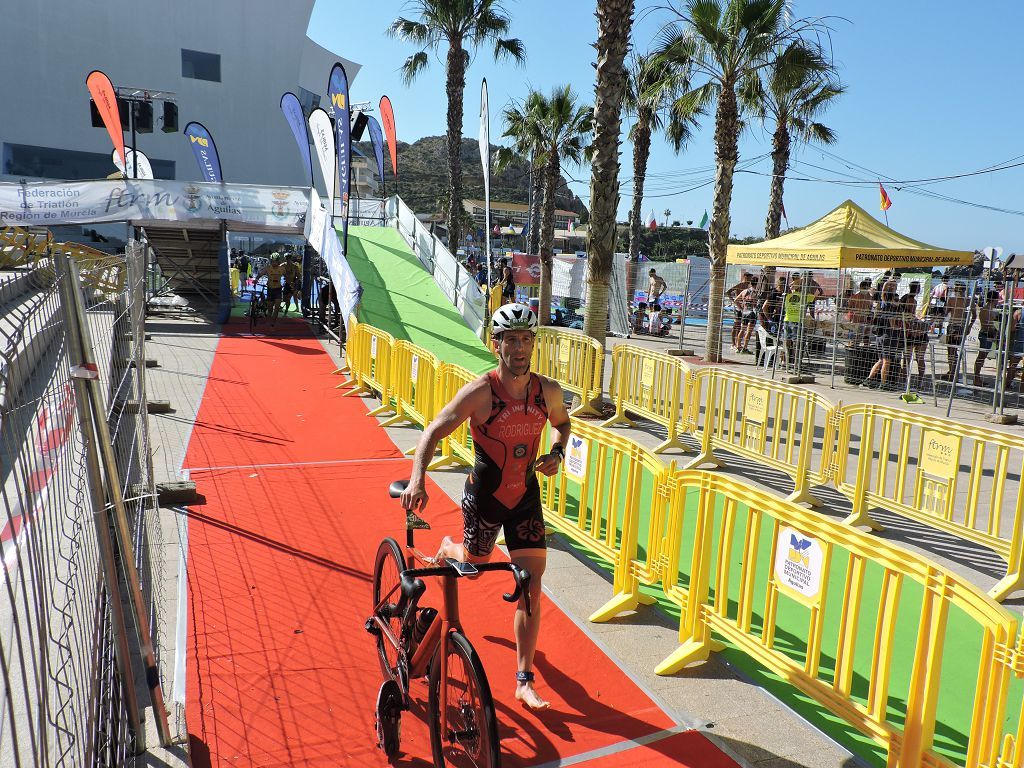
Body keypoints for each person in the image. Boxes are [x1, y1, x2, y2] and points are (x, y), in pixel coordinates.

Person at [401, 304, 571, 710]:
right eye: (510, 340)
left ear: (534, 344)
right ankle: (448, 548)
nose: (519, 348)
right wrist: (418, 477)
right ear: (496, 345)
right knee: (474, 566)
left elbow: (563, 424)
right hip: (485, 499)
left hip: (525, 498)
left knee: (531, 585)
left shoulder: (547, 390)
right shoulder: (481, 391)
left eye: (526, 339)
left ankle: (523, 678)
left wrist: (558, 453)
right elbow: (434, 428)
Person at [973, 290, 1000, 387]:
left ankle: (977, 378)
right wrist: (996, 334)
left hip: (988, 335)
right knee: (981, 357)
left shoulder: (991, 309)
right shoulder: (986, 310)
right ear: (994, 299)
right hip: (986, 335)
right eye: (997, 299)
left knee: (982, 357)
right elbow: (987, 326)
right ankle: (976, 378)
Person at [943, 282, 969, 378]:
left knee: (952, 351)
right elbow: (946, 312)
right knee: (951, 350)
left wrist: (969, 326)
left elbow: (946, 312)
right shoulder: (955, 299)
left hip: (957, 326)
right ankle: (952, 371)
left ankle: (953, 373)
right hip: (955, 326)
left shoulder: (966, 300)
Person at [256, 253, 287, 327]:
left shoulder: (282, 269)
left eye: (275, 261)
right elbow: (260, 274)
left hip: (278, 290)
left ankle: (273, 323)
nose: (274, 263)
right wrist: (256, 279)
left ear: (278, 261)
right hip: (270, 290)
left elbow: (287, 277)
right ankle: (270, 322)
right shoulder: (268, 268)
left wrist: (290, 283)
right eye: (272, 261)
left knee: (276, 308)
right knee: (270, 310)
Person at [725, 271, 753, 352]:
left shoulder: (749, 286)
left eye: (750, 278)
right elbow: (728, 292)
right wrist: (733, 300)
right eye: (748, 277)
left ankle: (738, 344)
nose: (749, 279)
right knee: (736, 325)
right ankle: (733, 344)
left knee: (742, 326)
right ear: (745, 277)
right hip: (738, 308)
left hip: (745, 308)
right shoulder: (740, 285)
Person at [282, 252, 302, 317]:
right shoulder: (283, 265)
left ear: (290, 259)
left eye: (289, 258)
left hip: (292, 284)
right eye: (286, 258)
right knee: (285, 299)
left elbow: (299, 276)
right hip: (286, 284)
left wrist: (295, 282)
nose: (287, 260)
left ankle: (286, 311)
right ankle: (285, 308)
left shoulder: (295, 267)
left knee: (289, 298)